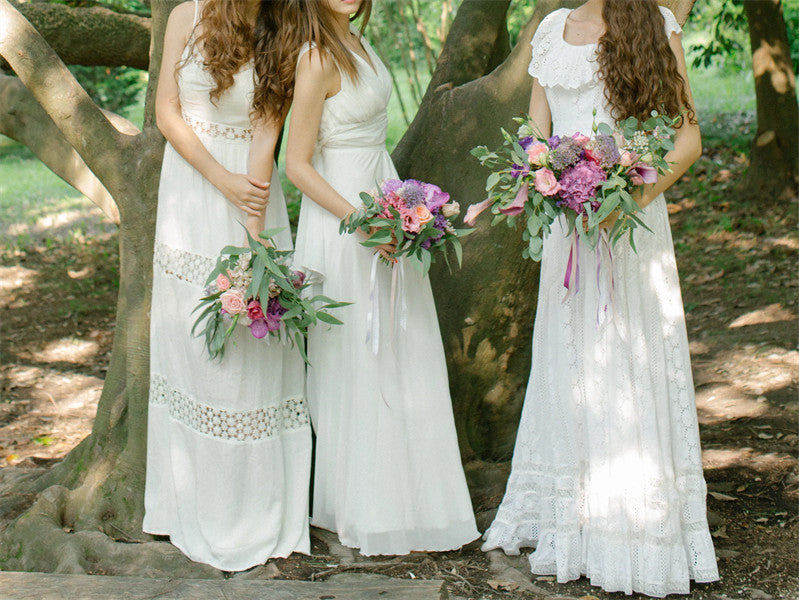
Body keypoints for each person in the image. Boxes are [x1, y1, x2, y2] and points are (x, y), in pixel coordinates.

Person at [481, 0, 719, 595]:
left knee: (630, 363)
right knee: (572, 366)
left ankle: (636, 526)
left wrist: (626, 202)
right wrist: (536, 184)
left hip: (630, 226)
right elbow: (536, 141)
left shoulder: (655, 23)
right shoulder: (550, 31)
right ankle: (576, 520)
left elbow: (686, 141)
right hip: (568, 235)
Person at [284, 0, 479, 556]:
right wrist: (361, 223)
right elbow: (295, 163)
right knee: (358, 353)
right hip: (343, 215)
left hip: (383, 194)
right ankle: (363, 504)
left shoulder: (360, 43)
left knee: (402, 346)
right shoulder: (316, 57)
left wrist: (400, 211)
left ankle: (416, 498)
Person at [143, 0, 311, 570]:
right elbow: (167, 112)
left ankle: (251, 512)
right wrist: (221, 181)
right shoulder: (185, 14)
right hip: (191, 190)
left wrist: (253, 231)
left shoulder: (286, 22)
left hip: (252, 194)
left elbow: (267, 132)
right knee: (192, 353)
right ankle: (186, 503)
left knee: (247, 357)